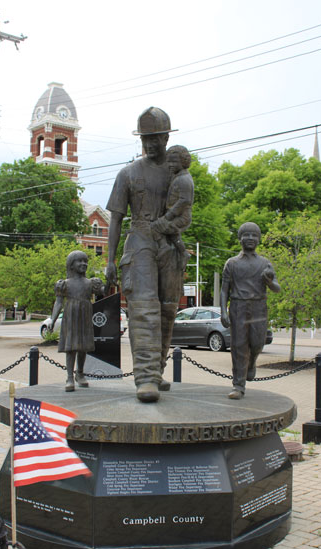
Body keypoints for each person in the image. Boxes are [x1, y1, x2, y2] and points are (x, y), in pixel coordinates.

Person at [106, 107, 190, 403]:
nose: (150, 143)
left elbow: (185, 209)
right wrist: (110, 261)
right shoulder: (127, 173)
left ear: (167, 137)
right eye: (146, 138)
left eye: (156, 138)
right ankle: (144, 377)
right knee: (144, 309)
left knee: (168, 309)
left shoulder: (177, 173)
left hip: (168, 243)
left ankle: (157, 372)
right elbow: (115, 219)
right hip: (139, 241)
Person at [220, 222, 280, 399]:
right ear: (240, 238)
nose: (250, 238)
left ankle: (252, 362)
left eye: (254, 235)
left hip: (258, 307)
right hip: (238, 307)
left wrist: (269, 281)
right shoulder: (231, 263)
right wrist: (223, 311)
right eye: (246, 235)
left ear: (259, 239)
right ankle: (238, 385)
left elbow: (277, 288)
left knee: (257, 343)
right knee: (238, 346)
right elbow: (224, 290)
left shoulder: (265, 264)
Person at [49, 250, 105, 392]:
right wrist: (52, 319)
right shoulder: (64, 284)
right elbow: (58, 302)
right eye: (79, 261)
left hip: (85, 314)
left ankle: (80, 373)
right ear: (71, 265)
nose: (83, 264)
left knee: (83, 345)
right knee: (71, 346)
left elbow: (103, 291)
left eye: (85, 261)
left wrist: (108, 279)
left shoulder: (90, 283)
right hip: (71, 314)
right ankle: (69, 376)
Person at [151, 144, 194, 270]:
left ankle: (165, 247)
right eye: (169, 161)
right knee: (171, 232)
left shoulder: (184, 180)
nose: (171, 165)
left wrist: (168, 217)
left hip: (182, 216)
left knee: (156, 227)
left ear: (184, 161)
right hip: (177, 215)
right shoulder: (178, 176)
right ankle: (183, 252)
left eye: (174, 162)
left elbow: (184, 201)